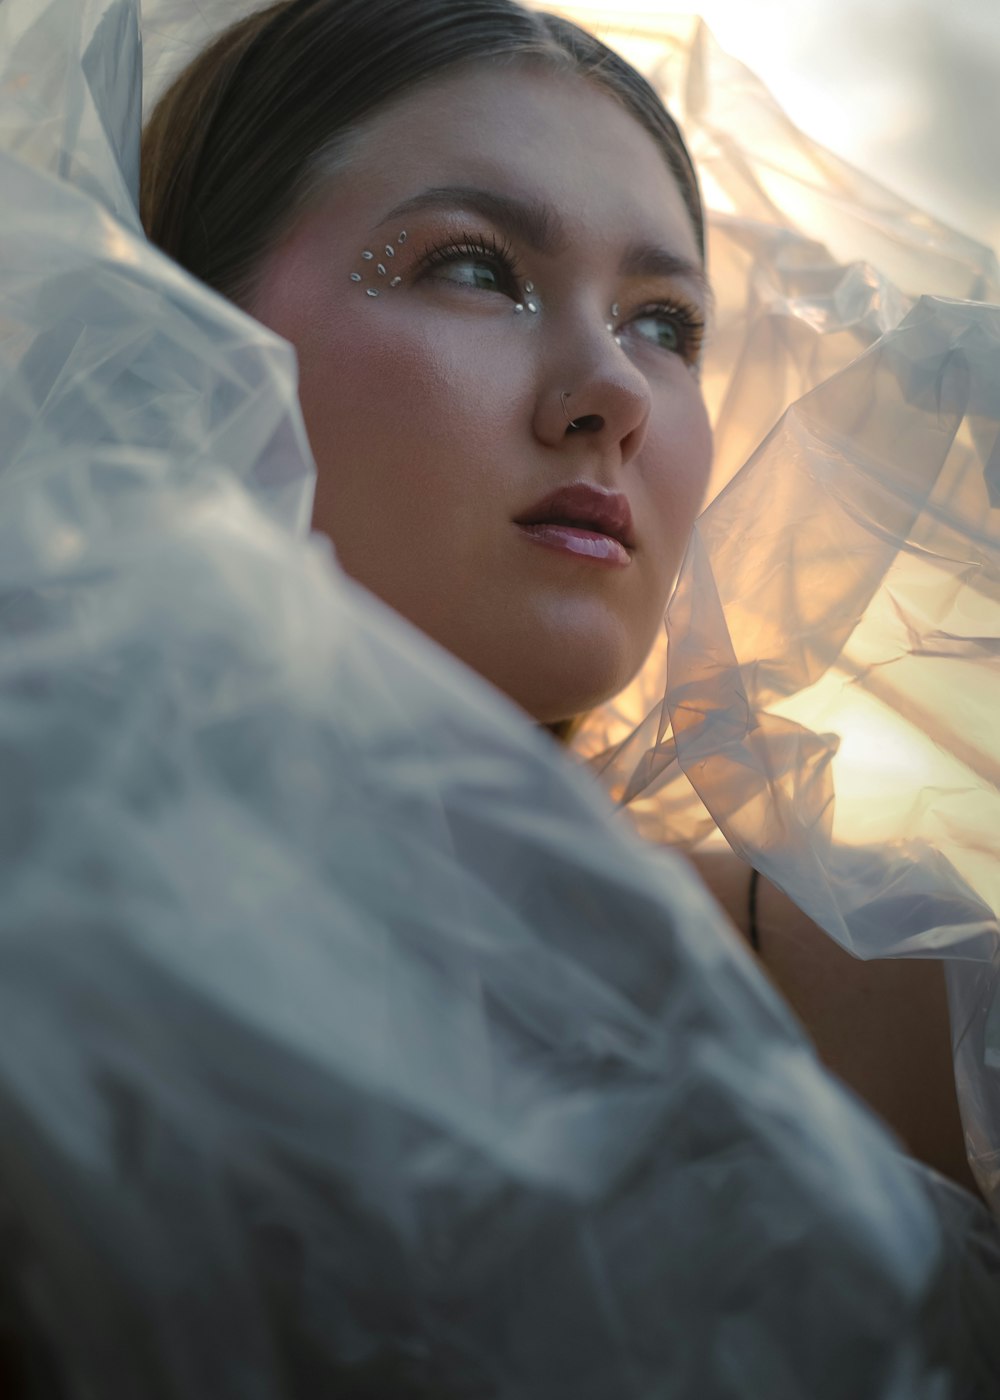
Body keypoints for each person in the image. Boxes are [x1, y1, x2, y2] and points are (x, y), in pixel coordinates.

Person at [2, 0, 999, 1395]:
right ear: (175, 338)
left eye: (666, 321)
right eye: (474, 268)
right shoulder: (38, 944)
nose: (612, 392)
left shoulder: (884, 999)